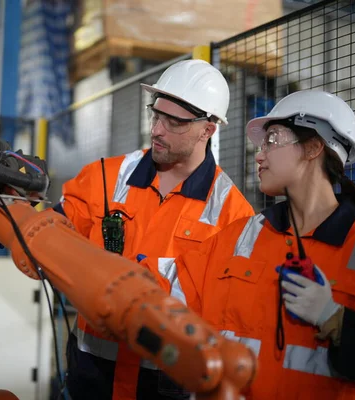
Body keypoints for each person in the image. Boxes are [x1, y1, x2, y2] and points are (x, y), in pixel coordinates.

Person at [141, 89, 355, 399]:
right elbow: (165, 289)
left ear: (314, 146)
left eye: (272, 140)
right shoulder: (241, 236)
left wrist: (336, 319)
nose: (259, 154)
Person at [52, 59, 255, 400]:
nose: (157, 130)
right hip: (91, 374)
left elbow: (229, 317)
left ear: (208, 130)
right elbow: (55, 231)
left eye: (174, 122)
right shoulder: (104, 177)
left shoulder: (233, 215)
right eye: (156, 114)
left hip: (166, 384)